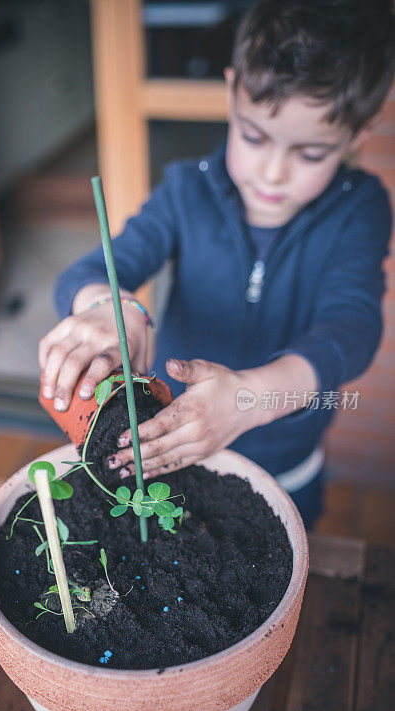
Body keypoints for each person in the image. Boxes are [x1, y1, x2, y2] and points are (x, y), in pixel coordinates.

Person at [39, 0, 395, 531]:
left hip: (287, 465)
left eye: (311, 154)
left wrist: (249, 400)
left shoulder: (361, 210)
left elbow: (352, 328)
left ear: (359, 132)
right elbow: (93, 269)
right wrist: (113, 306)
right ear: (231, 92)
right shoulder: (186, 189)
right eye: (253, 137)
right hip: (176, 447)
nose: (273, 173)